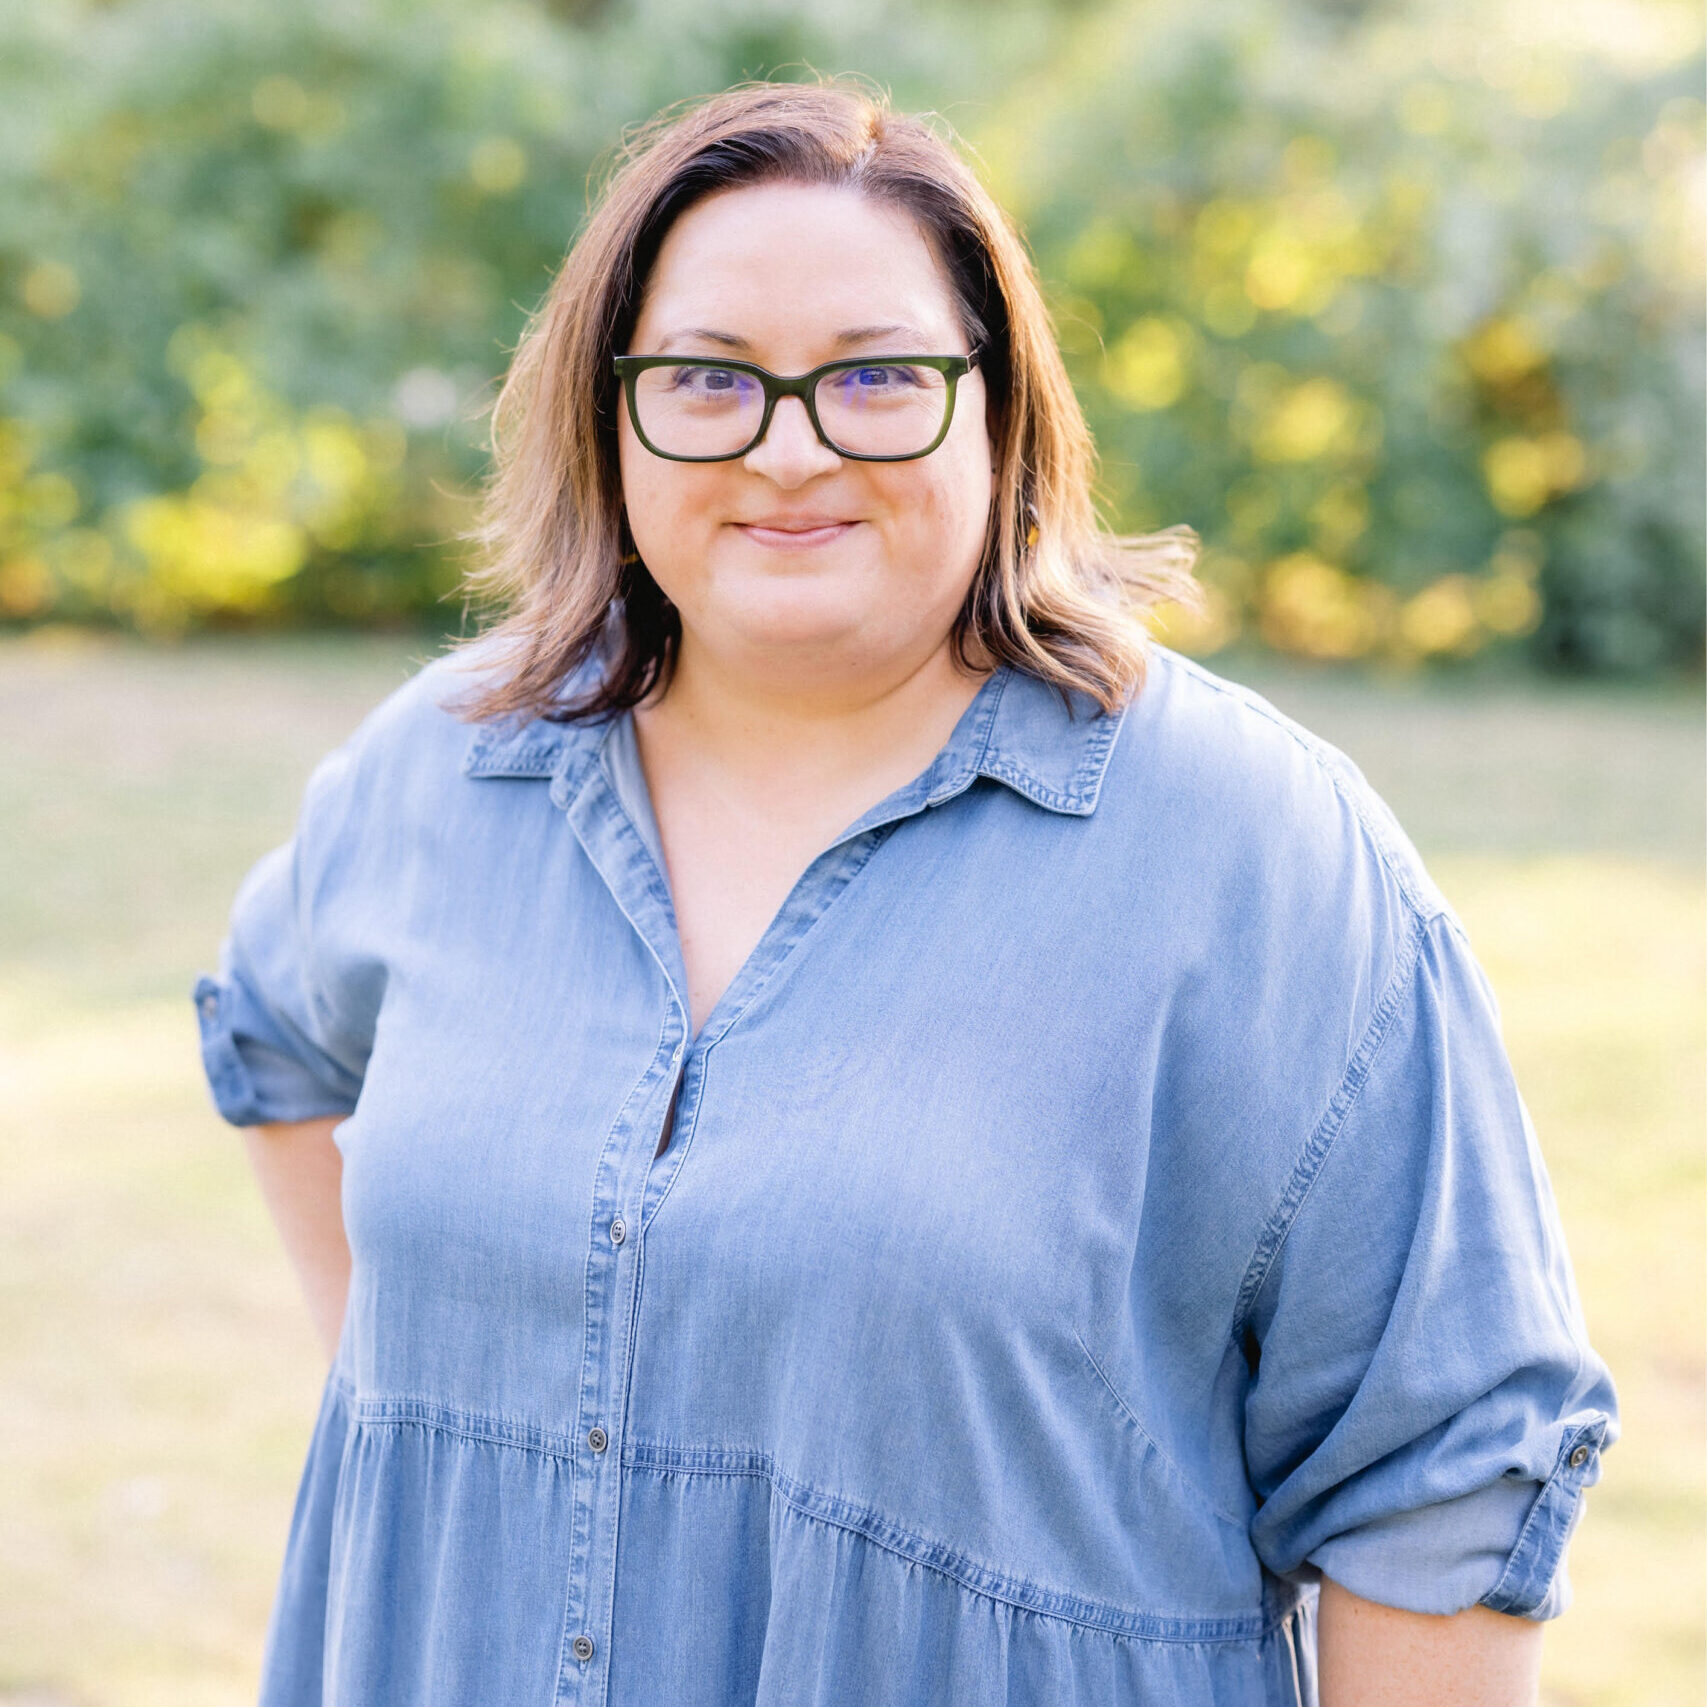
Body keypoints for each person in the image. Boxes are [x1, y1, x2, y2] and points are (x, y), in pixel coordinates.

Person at [193, 79, 1616, 1707]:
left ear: (1000, 411)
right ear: (612, 413)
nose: (790, 448)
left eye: (877, 377)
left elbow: (1443, 1471)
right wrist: (429, 1413)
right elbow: (270, 1039)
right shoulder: (445, 768)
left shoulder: (1253, 852)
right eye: (709, 379)